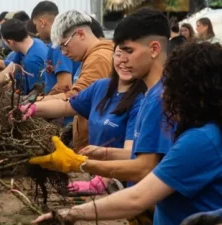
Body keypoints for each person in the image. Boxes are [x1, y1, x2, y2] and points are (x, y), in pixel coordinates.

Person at [31, 41, 222, 225]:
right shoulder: (206, 129)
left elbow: (137, 198)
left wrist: (71, 211)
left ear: (193, 91)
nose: (164, 93)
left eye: (170, 85)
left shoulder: (201, 140)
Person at [28, 7, 173, 224]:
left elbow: (143, 168)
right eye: (118, 52)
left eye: (128, 51)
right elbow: (69, 105)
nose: (121, 59)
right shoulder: (148, 94)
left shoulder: (158, 99)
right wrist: (31, 108)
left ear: (154, 49)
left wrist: (81, 164)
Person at [20, 45, 146, 194]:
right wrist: (33, 108)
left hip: (124, 183)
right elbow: (67, 107)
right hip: (95, 171)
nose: (123, 62)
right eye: (118, 55)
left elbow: (131, 155)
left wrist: (103, 179)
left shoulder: (143, 99)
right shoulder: (102, 86)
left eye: (130, 55)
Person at [32, 10, 114, 150]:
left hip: (98, 147)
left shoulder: (98, 59)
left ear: (81, 34)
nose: (63, 53)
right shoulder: (90, 57)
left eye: (64, 45)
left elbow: (76, 99)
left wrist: (33, 105)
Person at [0, 19, 48, 95]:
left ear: (11, 42)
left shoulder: (32, 61)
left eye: (5, 42)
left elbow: (37, 93)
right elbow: (9, 69)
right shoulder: (33, 43)